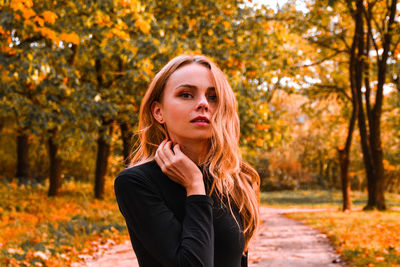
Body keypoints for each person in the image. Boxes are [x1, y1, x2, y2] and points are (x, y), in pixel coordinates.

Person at [114, 54, 260, 267]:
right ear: (158, 111)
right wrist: (194, 187)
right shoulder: (136, 183)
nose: (203, 104)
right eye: (186, 94)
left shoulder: (235, 179)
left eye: (213, 97)